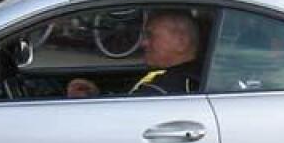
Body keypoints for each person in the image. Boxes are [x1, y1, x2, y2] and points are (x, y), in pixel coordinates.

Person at [67, 11, 201, 98]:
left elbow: (118, 121)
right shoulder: (179, 78)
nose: (143, 43)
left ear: (181, 42)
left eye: (150, 36)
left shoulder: (163, 90)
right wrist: (97, 96)